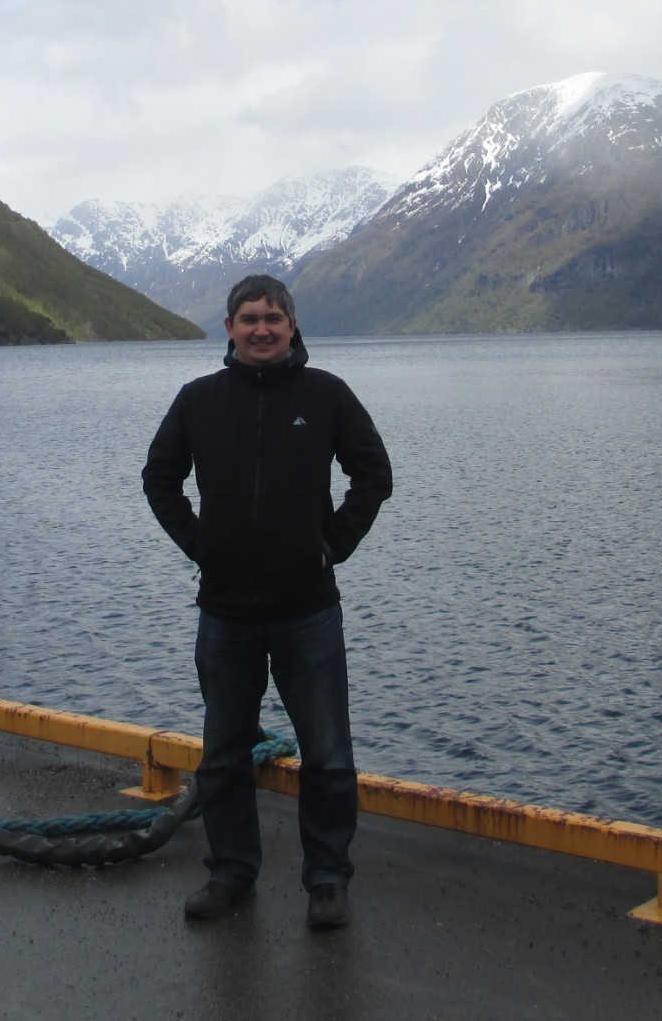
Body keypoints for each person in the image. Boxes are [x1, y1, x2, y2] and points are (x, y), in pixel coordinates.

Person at [142, 273, 392, 930]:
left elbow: (374, 474)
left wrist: (333, 544)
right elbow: (159, 477)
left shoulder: (327, 395)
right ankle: (230, 875)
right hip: (225, 611)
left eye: (273, 318)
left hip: (308, 609)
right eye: (249, 317)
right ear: (228, 328)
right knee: (223, 754)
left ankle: (328, 881)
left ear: (291, 327)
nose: (261, 329)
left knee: (329, 755)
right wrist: (201, 545)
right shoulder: (198, 400)